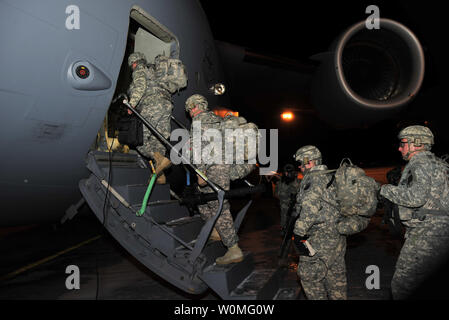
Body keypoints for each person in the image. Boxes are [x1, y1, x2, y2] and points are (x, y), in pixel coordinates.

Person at [379, 125, 449, 299]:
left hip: (426, 234)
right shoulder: (440, 164)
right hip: (441, 233)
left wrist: (385, 190)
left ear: (416, 143)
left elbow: (416, 198)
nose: (400, 148)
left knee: (403, 284)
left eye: (403, 143)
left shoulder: (420, 163)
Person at [185, 94, 244, 265]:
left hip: (211, 169)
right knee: (204, 201)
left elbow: (198, 149)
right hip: (223, 166)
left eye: (190, 108)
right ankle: (216, 232)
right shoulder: (217, 120)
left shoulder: (198, 121)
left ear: (195, 107)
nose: (189, 112)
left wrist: (201, 172)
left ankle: (233, 248)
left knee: (218, 206)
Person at [292, 145, 347, 300]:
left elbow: (310, 210)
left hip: (319, 240)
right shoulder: (331, 176)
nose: (300, 167)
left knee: (309, 278)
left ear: (308, 161)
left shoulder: (313, 178)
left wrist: (297, 233)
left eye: (301, 163)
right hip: (337, 236)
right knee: (336, 278)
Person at [127, 52, 187, 183]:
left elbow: (140, 86)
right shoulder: (155, 71)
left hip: (151, 105)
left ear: (134, 62)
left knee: (138, 139)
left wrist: (131, 104)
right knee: (158, 139)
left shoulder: (139, 69)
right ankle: (160, 172)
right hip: (166, 106)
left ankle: (160, 159)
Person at [274, 164, 301, 236]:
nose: (287, 174)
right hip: (284, 208)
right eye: (286, 172)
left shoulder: (297, 182)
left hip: (295, 208)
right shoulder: (281, 182)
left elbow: (300, 194)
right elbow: (277, 194)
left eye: (289, 172)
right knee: (285, 225)